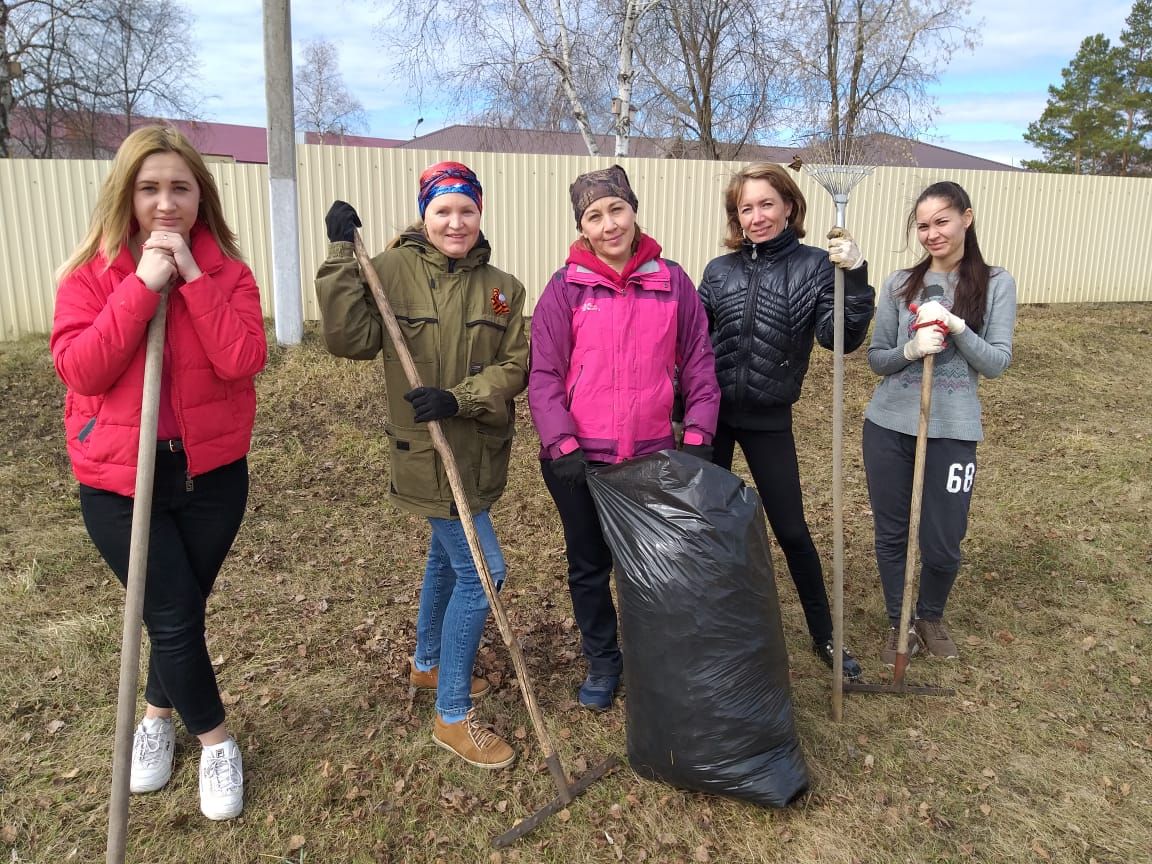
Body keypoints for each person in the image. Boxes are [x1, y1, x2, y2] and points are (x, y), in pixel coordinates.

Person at [50, 125, 266, 820]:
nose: (165, 203)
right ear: (127, 195)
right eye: (150, 189)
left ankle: (153, 719)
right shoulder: (91, 275)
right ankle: (216, 743)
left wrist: (194, 281)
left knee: (180, 614)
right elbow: (80, 368)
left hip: (211, 478)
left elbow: (242, 361)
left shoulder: (229, 274)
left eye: (180, 187)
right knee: (171, 616)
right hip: (120, 481)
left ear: (200, 196)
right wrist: (142, 286)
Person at [314, 162, 528, 769]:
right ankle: (453, 715)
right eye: (443, 211)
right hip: (424, 455)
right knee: (486, 572)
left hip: (480, 452)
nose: (455, 222)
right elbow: (347, 339)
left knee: (449, 558)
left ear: (480, 213)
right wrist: (340, 257)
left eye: (466, 210)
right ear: (424, 214)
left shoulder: (503, 287)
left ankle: (428, 665)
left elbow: (514, 366)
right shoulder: (388, 272)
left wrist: (459, 397)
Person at [529, 164, 720, 712]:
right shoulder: (566, 287)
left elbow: (700, 364)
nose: (609, 224)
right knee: (589, 565)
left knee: (654, 564)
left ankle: (652, 655)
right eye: (595, 216)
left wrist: (700, 432)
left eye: (617, 210)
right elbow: (543, 374)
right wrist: (561, 443)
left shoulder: (671, 281)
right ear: (582, 227)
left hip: (652, 456)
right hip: (579, 460)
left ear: (633, 210)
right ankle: (603, 659)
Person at [697, 162, 875, 681]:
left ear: (790, 206)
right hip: (710, 416)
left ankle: (825, 634)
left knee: (792, 530)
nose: (756, 217)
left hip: (769, 417)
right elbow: (690, 340)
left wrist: (856, 277)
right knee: (707, 526)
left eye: (766, 204)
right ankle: (707, 625)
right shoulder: (718, 271)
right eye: (746, 208)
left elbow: (839, 339)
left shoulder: (818, 266)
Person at [862, 181, 1016, 665]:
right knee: (891, 533)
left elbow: (996, 362)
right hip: (888, 425)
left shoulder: (996, 283)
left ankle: (930, 613)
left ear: (966, 218)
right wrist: (911, 349)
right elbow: (877, 358)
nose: (932, 233)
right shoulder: (898, 284)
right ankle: (899, 619)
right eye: (923, 225)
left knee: (943, 538)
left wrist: (955, 327)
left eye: (941, 221)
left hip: (954, 429)